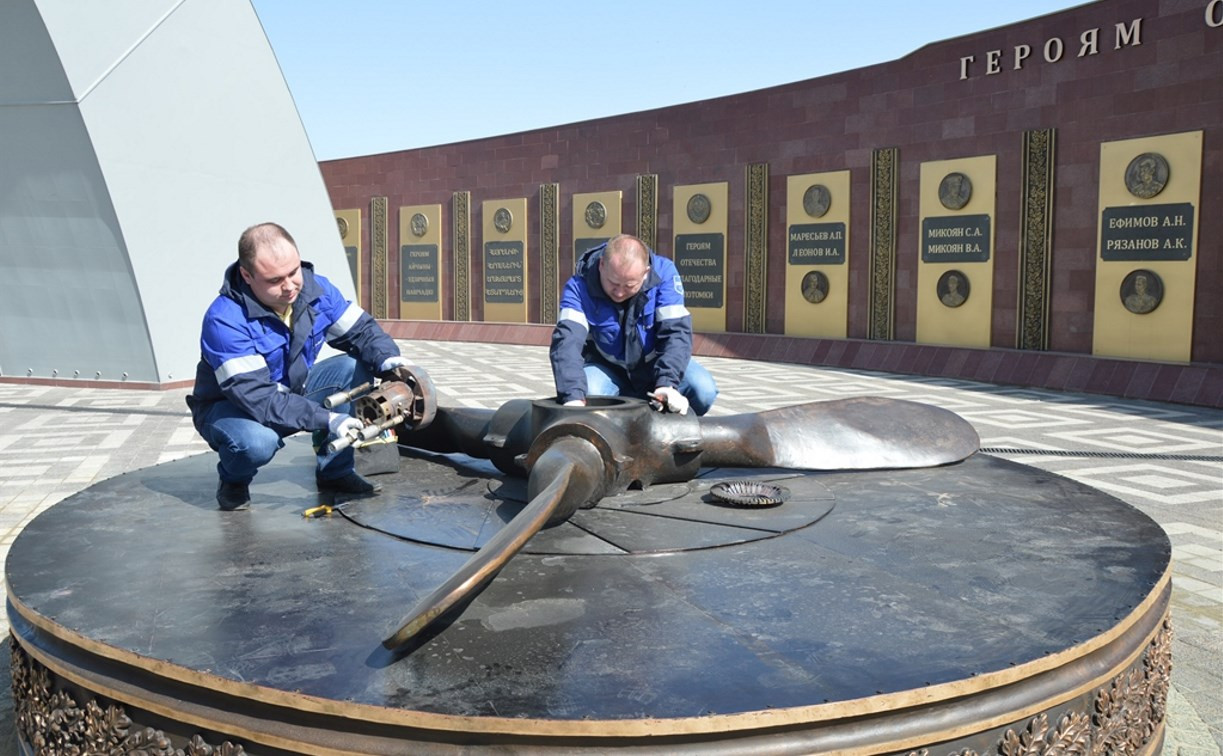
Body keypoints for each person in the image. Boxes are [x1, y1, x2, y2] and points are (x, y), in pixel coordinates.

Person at [187, 222, 415, 510]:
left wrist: (389, 359)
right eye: (274, 280)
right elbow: (259, 399)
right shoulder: (224, 321)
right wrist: (328, 419)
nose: (290, 286)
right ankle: (234, 480)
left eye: (293, 272)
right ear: (246, 275)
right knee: (257, 443)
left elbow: (361, 332)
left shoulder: (316, 290)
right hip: (231, 408)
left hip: (292, 393)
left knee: (352, 368)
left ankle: (336, 472)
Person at [550, 233, 718, 415]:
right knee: (590, 391)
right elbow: (567, 342)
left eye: (629, 286)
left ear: (645, 273)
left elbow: (676, 335)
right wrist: (572, 397)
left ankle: (674, 427)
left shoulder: (664, 275)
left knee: (703, 390)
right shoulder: (578, 287)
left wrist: (667, 383)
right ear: (601, 265)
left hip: (654, 365)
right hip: (607, 367)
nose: (620, 293)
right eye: (613, 283)